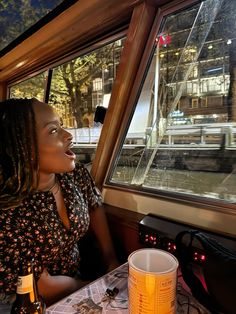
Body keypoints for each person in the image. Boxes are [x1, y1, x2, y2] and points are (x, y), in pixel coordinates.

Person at [0, 98, 119, 309]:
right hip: (23, 300)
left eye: (61, 126)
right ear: (22, 147)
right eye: (53, 131)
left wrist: (111, 260)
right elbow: (42, 285)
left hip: (75, 281)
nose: (68, 135)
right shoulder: (7, 210)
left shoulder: (75, 175)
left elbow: (94, 204)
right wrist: (93, 286)